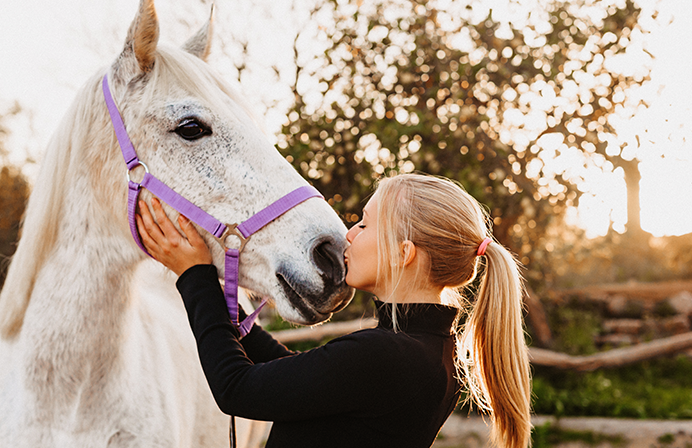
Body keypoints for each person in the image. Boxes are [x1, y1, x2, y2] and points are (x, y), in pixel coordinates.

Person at [136, 173, 532, 448]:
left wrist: (195, 276)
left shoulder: (387, 355)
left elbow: (237, 389)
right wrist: (224, 304)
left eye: (364, 224)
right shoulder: (429, 351)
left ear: (403, 253)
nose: (349, 233)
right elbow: (305, 379)